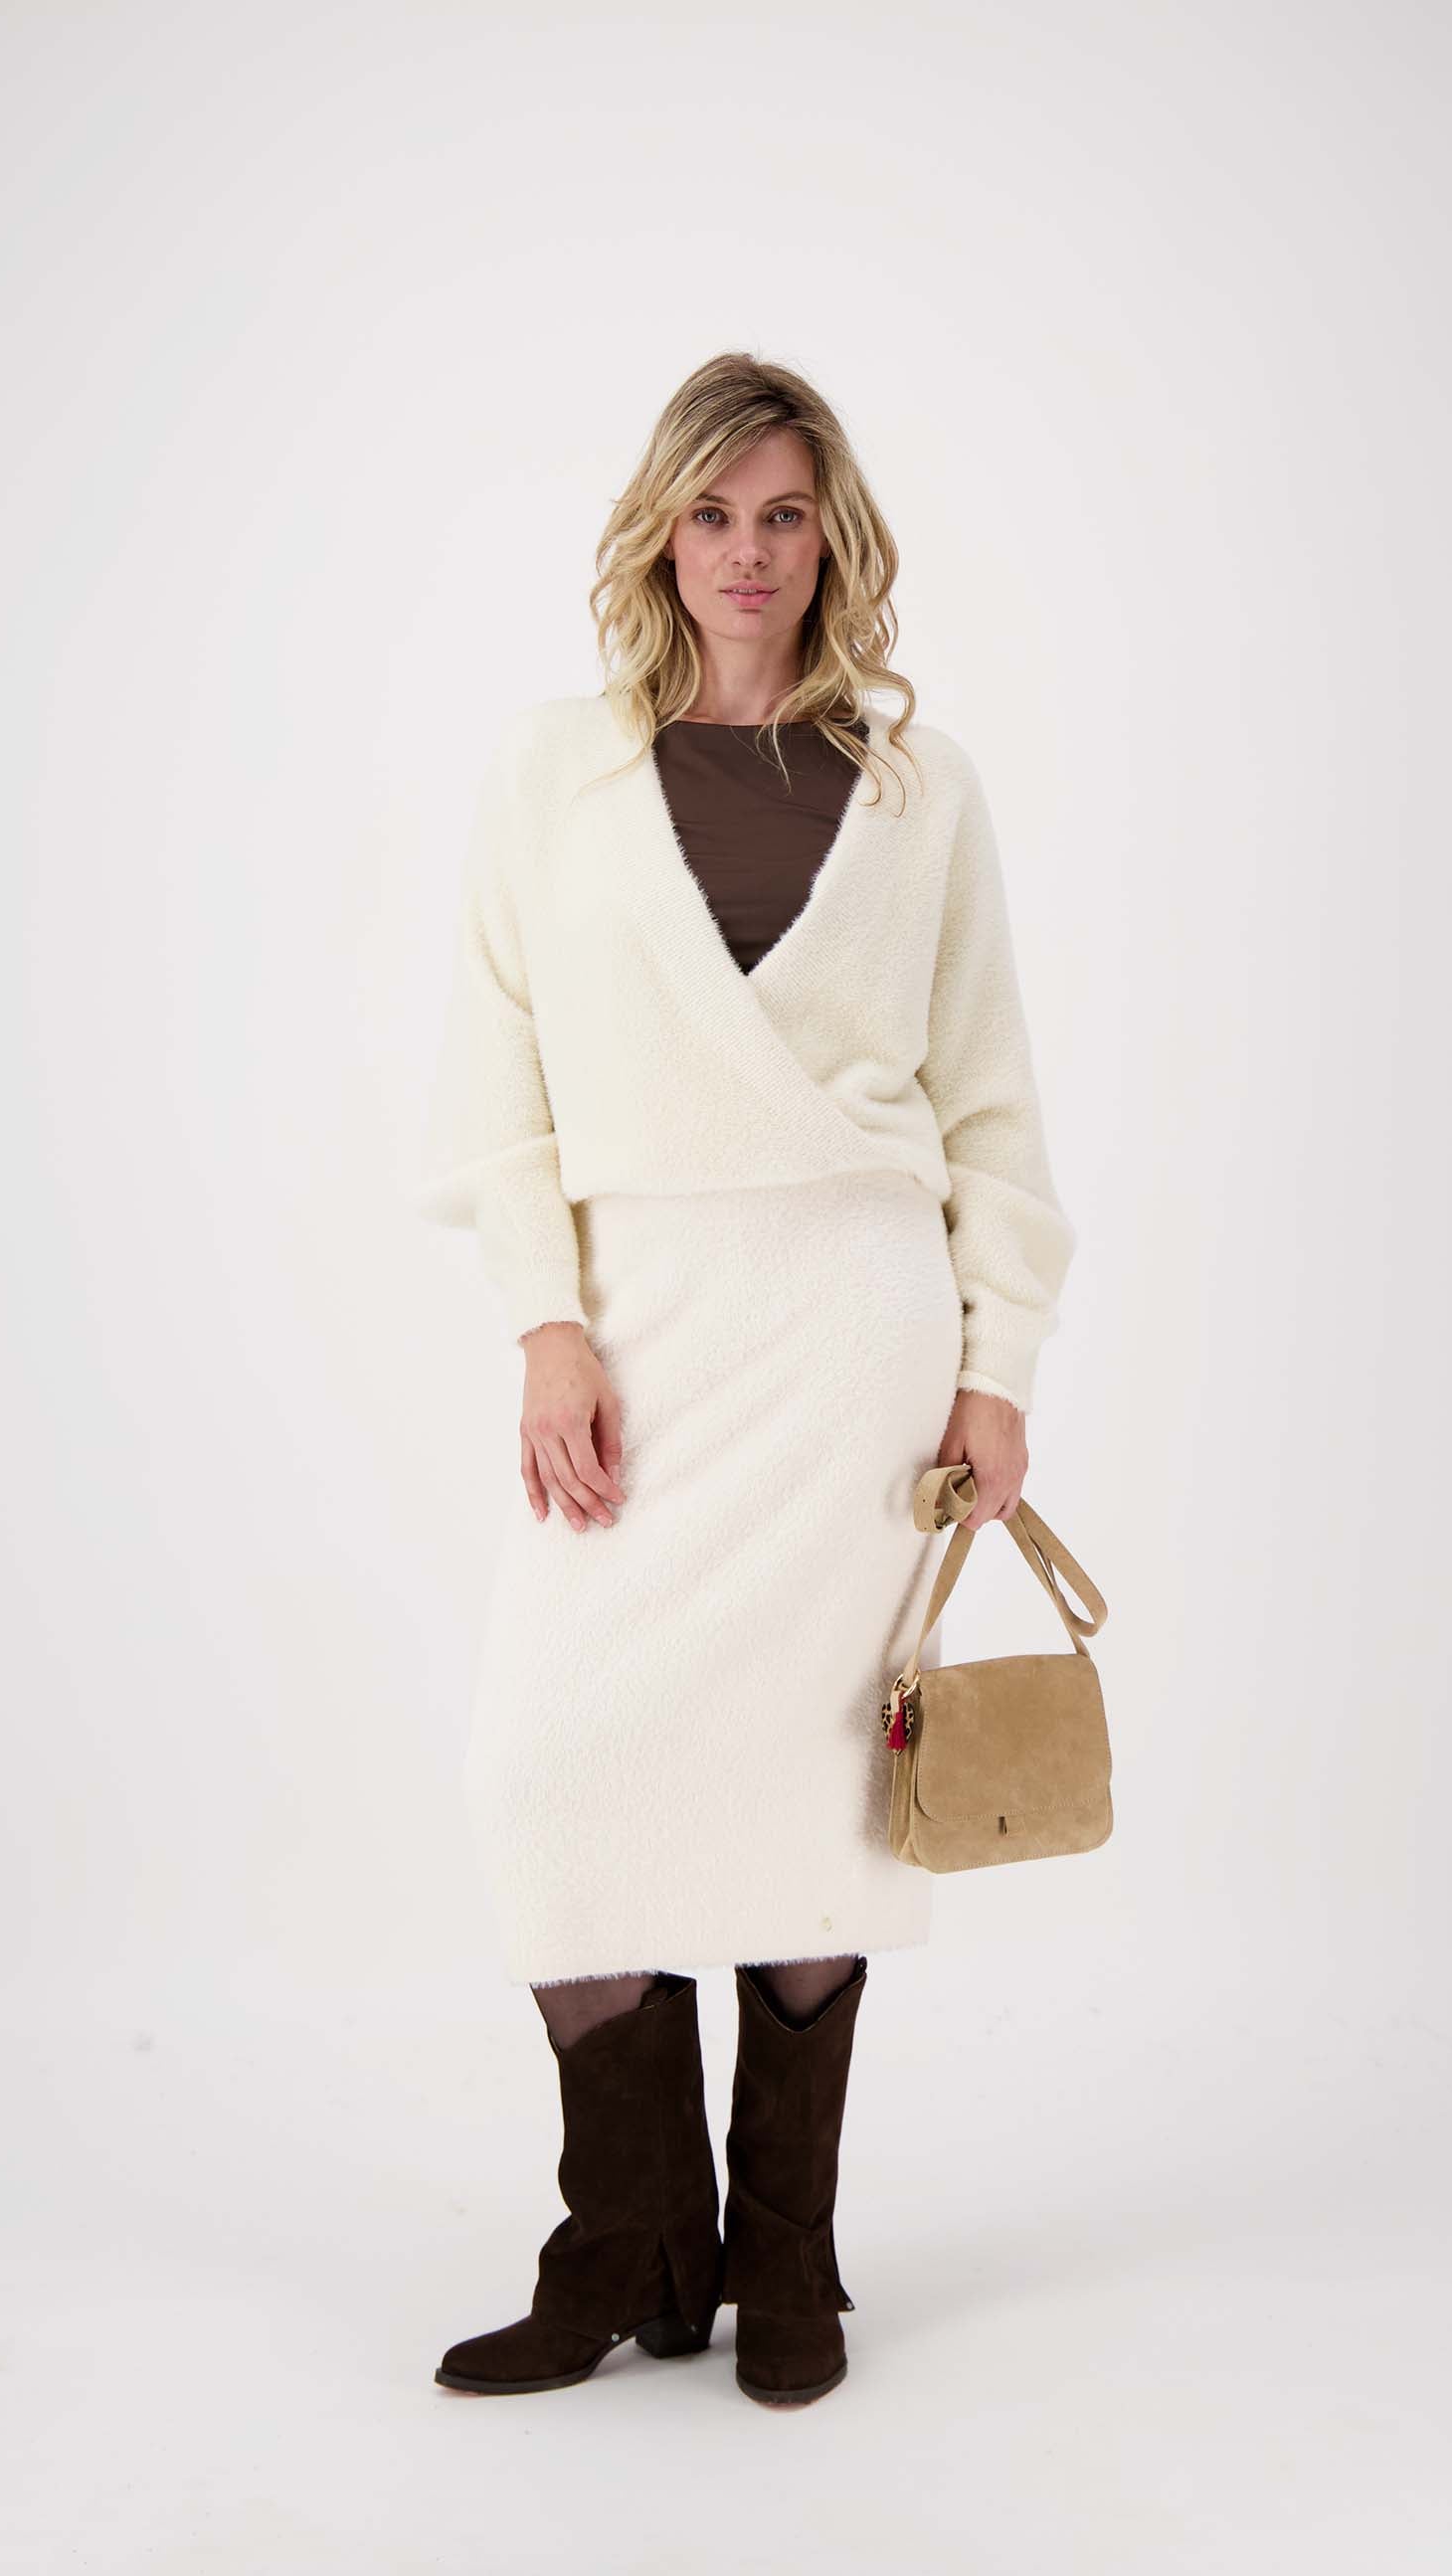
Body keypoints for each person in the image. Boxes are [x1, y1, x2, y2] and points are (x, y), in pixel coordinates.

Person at [415, 352, 1078, 2406]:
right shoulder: (552, 773)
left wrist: (996, 1367)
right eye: (712, 513)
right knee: (545, 1773)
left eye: (785, 514)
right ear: (661, 532)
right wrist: (546, 1320)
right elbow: (496, 1072)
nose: (748, 553)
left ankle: (787, 2262)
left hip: (852, 1339)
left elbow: (990, 1101)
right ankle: (632, 2246)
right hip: (639, 1328)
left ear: (831, 538)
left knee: (814, 1803)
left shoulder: (920, 788)